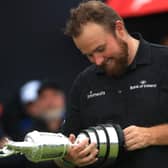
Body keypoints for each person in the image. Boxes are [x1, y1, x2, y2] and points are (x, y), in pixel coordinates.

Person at [55, 1, 168, 168]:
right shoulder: (84, 82)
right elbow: (63, 150)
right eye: (88, 55)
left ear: (119, 29)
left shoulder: (164, 62)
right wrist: (69, 159)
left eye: (101, 49)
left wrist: (152, 135)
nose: (98, 61)